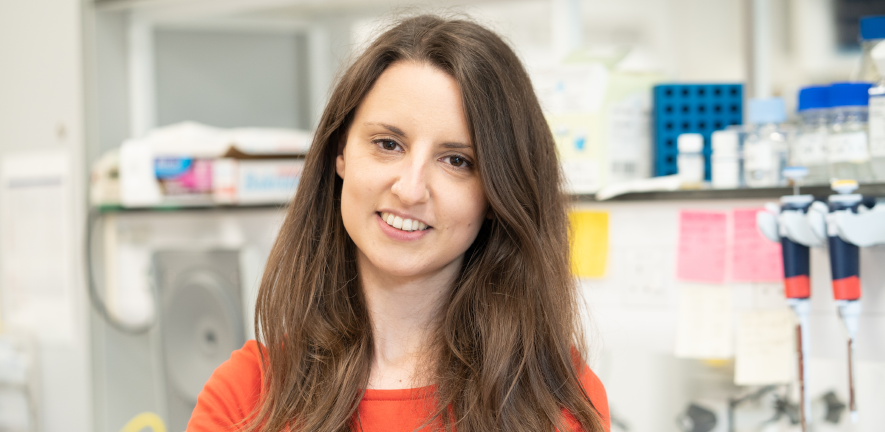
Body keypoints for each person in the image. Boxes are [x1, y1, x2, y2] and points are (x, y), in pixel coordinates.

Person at [187, 14, 609, 432]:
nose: (410, 189)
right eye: (388, 144)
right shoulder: (245, 397)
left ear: (498, 194)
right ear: (341, 153)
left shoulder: (555, 402)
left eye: (457, 161)